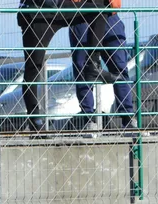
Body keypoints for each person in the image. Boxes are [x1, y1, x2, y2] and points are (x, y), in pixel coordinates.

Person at [18, 0, 117, 132]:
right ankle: (35, 122)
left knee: (99, 10)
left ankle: (92, 65)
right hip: (37, 13)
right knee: (33, 69)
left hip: (60, 6)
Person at [69, 11, 133, 130]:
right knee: (82, 69)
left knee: (120, 68)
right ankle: (88, 120)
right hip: (81, 16)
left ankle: (128, 119)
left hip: (109, 15)